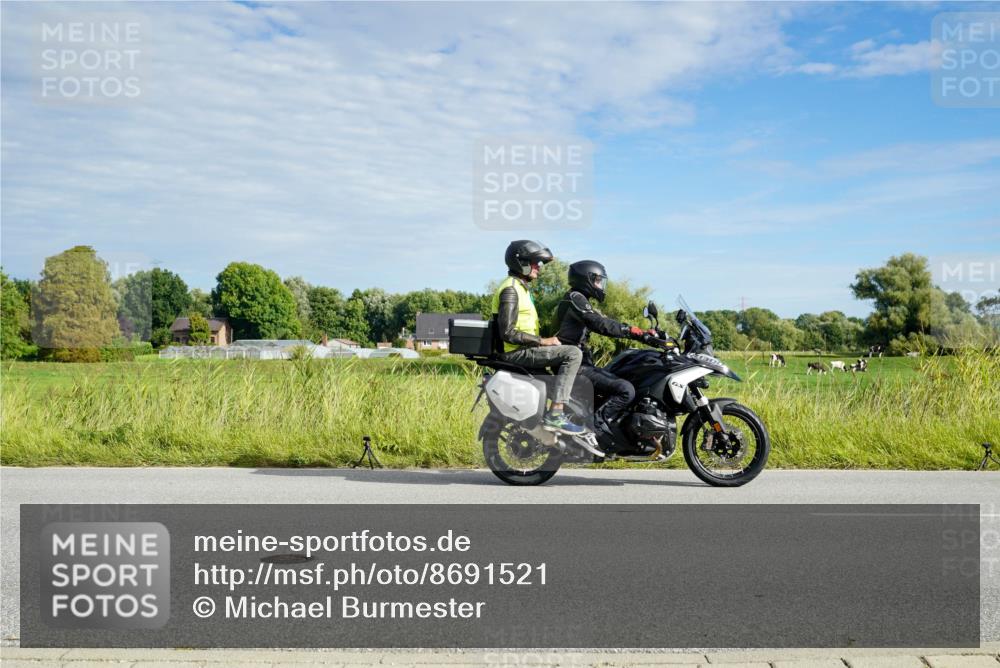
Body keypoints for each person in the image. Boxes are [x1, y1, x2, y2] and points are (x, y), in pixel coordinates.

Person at [491, 240, 589, 436]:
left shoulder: (522, 288)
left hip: (523, 349)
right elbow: (507, 332)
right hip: (514, 352)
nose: (539, 267)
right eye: (535, 263)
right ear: (521, 263)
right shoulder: (511, 290)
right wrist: (542, 341)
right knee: (573, 354)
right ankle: (556, 415)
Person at [554, 260, 651, 441]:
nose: (600, 286)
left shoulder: (579, 300)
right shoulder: (575, 298)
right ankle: (593, 430)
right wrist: (631, 331)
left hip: (579, 362)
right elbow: (599, 324)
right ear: (587, 279)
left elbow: (605, 320)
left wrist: (644, 333)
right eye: (598, 281)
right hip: (574, 364)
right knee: (626, 390)